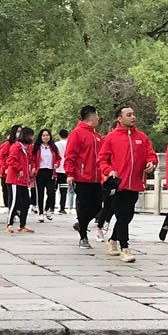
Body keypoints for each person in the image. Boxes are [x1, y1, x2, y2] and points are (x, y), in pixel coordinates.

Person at [97, 106, 158, 263]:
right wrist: (109, 170)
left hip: (135, 183)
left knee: (127, 216)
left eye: (133, 114)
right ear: (120, 118)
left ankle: (113, 239)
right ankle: (125, 248)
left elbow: (151, 155)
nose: (133, 117)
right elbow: (102, 159)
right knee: (122, 215)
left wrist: (151, 163)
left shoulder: (142, 137)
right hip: (119, 184)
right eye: (129, 115)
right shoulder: (111, 137)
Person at [63, 106, 104, 249]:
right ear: (92, 117)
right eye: (97, 116)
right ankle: (83, 237)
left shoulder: (97, 136)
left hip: (97, 178)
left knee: (98, 206)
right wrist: (70, 174)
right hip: (82, 177)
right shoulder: (77, 133)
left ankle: (81, 224)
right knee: (84, 207)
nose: (99, 118)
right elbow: (70, 155)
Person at [4, 127, 35, 234]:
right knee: (14, 202)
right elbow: (10, 160)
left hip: (23, 180)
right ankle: (9, 224)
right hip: (15, 179)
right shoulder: (17, 146)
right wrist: (19, 168)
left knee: (26, 202)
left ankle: (22, 225)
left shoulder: (25, 148)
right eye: (31, 135)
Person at [32, 129, 61, 222]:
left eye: (47, 135)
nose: (46, 137)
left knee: (51, 193)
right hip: (40, 172)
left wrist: (56, 164)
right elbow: (32, 159)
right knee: (40, 194)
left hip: (51, 172)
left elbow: (58, 158)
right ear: (40, 137)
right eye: (44, 135)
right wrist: (33, 167)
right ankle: (40, 213)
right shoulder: (37, 147)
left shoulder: (53, 147)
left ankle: (47, 209)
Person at [0, 125, 21, 209]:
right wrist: (5, 168)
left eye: (20, 131)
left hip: (18, 170)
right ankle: (9, 207)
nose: (19, 133)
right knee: (8, 190)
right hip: (8, 170)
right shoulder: (8, 143)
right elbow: (2, 156)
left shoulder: (22, 144)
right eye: (18, 131)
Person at [55, 129, 71, 213]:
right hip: (65, 170)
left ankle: (51, 206)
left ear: (59, 135)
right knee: (63, 190)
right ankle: (62, 208)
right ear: (68, 135)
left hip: (56, 169)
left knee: (53, 190)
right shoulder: (69, 144)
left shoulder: (56, 144)